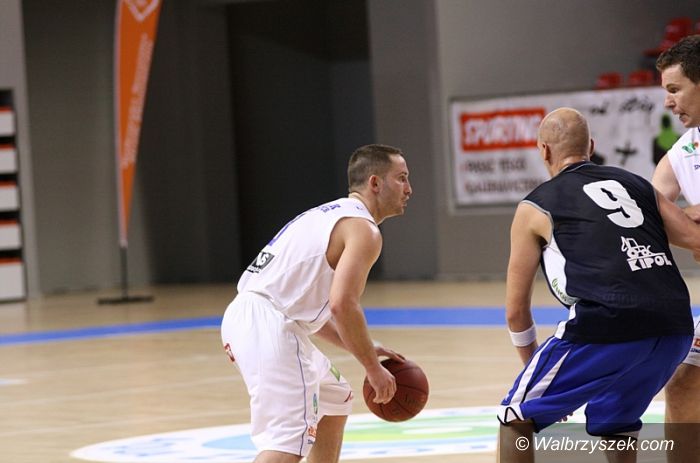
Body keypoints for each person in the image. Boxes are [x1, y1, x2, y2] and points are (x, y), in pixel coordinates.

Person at [498, 108, 700, 463]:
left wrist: (536, 374)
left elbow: (516, 311)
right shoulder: (638, 185)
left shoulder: (534, 206)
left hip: (607, 321)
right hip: (675, 326)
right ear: (591, 146)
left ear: (543, 150)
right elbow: (695, 238)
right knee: (615, 422)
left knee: (516, 416)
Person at [220, 144, 411, 463]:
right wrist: (371, 367)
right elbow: (343, 305)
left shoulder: (328, 214)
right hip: (271, 324)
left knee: (335, 398)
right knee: (287, 442)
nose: (409, 188)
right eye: (401, 178)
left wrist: (365, 348)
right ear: (375, 183)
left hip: (252, 318)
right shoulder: (364, 230)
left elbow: (312, 312)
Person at [650, 34, 700, 463]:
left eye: (674, 89)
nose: (668, 102)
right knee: (683, 383)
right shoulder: (684, 151)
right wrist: (687, 220)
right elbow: (646, 212)